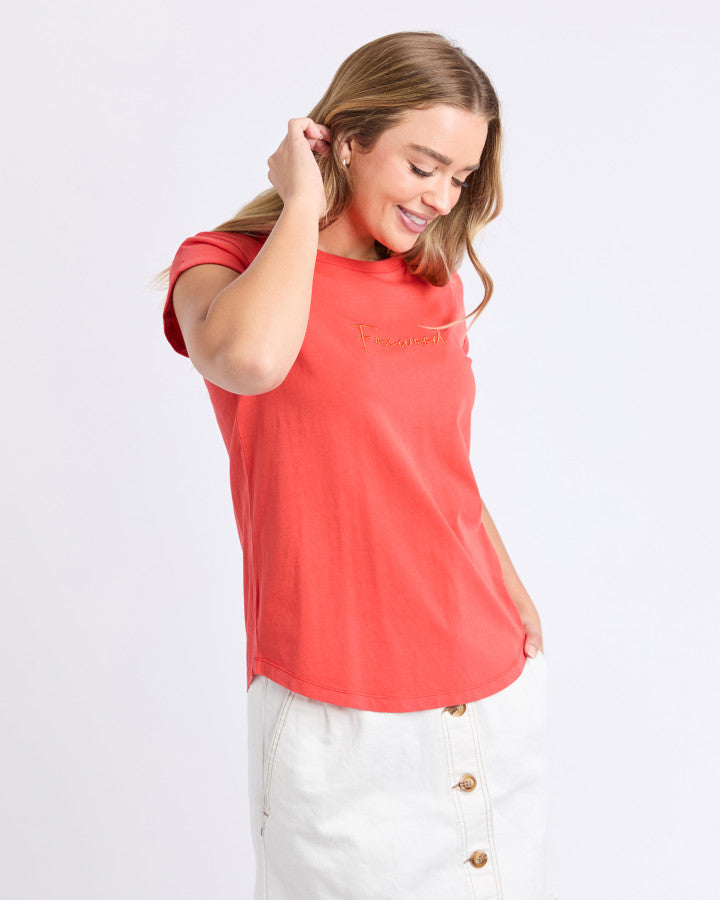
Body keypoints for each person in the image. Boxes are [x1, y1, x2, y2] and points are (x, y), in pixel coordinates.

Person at [161, 30, 559, 900]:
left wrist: (509, 585)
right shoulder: (222, 267)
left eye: (461, 177)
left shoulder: (432, 279)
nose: (441, 198)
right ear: (346, 139)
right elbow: (248, 362)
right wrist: (300, 203)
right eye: (423, 166)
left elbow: (434, 460)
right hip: (336, 714)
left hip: (488, 690)